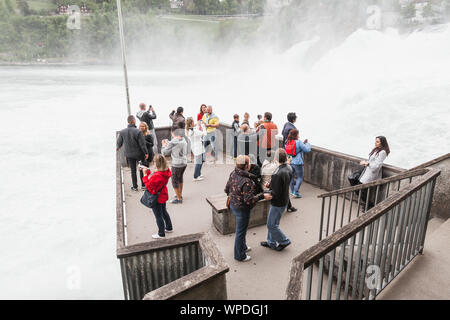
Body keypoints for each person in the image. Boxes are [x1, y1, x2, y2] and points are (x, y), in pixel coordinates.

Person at [225, 155, 272, 262]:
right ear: (246, 166)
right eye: (249, 163)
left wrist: (234, 196)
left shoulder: (233, 173)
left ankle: (243, 247)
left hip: (233, 205)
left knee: (242, 230)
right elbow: (249, 200)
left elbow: (226, 189)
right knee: (240, 232)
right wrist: (262, 196)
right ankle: (239, 255)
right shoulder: (247, 181)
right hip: (242, 209)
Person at [261, 149, 292, 251]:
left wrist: (266, 193)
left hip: (278, 203)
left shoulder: (277, 173)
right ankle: (271, 242)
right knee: (274, 223)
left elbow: (275, 193)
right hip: (284, 199)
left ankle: (284, 241)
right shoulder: (288, 167)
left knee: (271, 225)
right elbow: (282, 185)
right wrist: (271, 185)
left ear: (275, 158)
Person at [142, 154, 173, 239]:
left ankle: (161, 233)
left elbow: (149, 186)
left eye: (154, 162)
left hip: (157, 197)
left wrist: (145, 175)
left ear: (157, 164)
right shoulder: (166, 171)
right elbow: (156, 182)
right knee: (164, 212)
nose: (153, 163)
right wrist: (148, 172)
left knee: (158, 216)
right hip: (163, 194)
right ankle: (169, 227)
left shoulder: (157, 175)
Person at [117, 115, 149, 191]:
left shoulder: (122, 132)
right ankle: (143, 185)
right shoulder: (138, 131)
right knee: (141, 168)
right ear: (134, 121)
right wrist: (146, 153)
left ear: (128, 122)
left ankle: (135, 187)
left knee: (133, 170)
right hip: (139, 154)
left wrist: (117, 148)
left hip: (129, 155)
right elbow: (142, 145)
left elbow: (119, 144)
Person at [161, 125, 187, 204]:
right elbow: (175, 144)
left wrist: (164, 145)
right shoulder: (183, 139)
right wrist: (169, 143)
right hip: (184, 162)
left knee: (174, 181)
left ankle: (178, 199)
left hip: (177, 164)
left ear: (172, 132)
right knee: (180, 178)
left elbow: (164, 152)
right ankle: (180, 194)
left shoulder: (173, 142)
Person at [286, 129, 311, 198]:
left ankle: (292, 191)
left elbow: (290, 150)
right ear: (296, 135)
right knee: (300, 177)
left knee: (291, 177)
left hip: (290, 161)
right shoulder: (299, 142)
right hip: (298, 162)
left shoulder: (287, 141)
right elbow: (307, 150)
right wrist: (307, 144)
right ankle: (296, 192)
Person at [186, 117, 207, 181]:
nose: (194, 122)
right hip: (198, 148)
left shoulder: (190, 130)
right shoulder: (193, 131)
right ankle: (195, 176)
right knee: (198, 162)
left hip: (199, 146)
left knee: (202, 160)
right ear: (191, 123)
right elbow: (204, 134)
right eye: (193, 121)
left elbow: (196, 129)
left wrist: (198, 125)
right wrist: (203, 126)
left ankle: (199, 173)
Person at [138, 122, 155, 190]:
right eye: (140, 126)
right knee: (142, 169)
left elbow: (152, 144)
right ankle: (144, 184)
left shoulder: (149, 135)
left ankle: (145, 184)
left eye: (143, 126)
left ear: (146, 127)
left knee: (145, 169)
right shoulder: (138, 135)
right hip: (141, 154)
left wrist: (143, 141)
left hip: (148, 153)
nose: (142, 127)